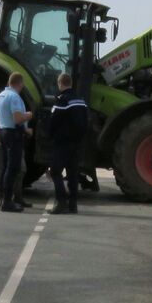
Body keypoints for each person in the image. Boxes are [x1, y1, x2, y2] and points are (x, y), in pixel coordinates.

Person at [48, 73, 89, 214]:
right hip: (76, 143)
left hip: (62, 143)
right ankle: (73, 205)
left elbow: (53, 121)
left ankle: (61, 202)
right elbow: (86, 122)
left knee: (55, 171)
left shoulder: (62, 100)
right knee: (72, 174)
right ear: (71, 83)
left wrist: (50, 135)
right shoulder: (81, 101)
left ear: (60, 83)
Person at [0, 72, 34, 213]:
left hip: (4, 132)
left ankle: (4, 199)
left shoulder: (1, 95)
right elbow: (17, 119)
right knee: (13, 168)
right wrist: (29, 115)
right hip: (14, 135)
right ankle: (7, 202)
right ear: (20, 83)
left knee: (6, 166)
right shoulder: (14, 97)